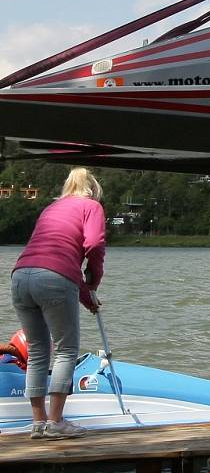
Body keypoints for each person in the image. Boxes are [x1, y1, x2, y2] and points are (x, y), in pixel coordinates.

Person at [10, 167, 105, 440]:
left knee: (39, 350)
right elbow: (95, 244)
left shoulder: (51, 208)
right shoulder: (91, 206)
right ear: (93, 188)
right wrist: (94, 281)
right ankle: (56, 422)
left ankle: (38, 423)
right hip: (54, 278)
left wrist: (86, 297)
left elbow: (58, 257)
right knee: (66, 350)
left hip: (20, 276)